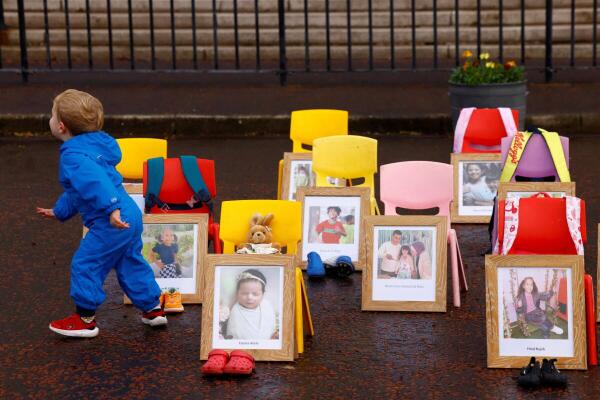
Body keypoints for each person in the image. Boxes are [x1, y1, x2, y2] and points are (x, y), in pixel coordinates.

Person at [36, 89, 166, 338]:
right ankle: (152, 309)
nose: (50, 119)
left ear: (61, 126)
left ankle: (85, 319)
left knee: (86, 263)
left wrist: (111, 208)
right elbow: (79, 190)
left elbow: (96, 184)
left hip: (111, 220)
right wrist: (60, 211)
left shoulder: (74, 156)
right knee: (130, 261)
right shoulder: (94, 148)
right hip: (130, 213)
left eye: (52, 115)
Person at [225, 269, 278, 340]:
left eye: (255, 294)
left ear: (263, 294)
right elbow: (234, 334)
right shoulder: (235, 311)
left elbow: (271, 328)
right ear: (237, 293)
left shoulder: (266, 306)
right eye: (244, 293)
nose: (249, 297)